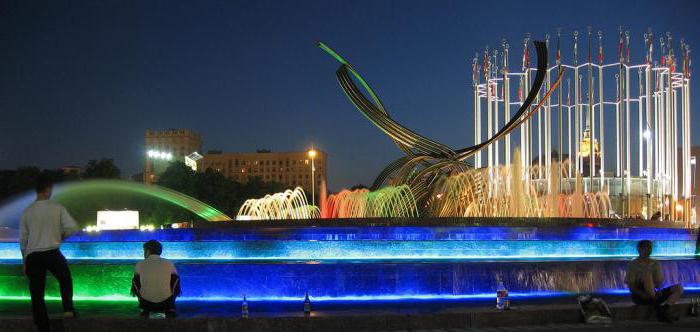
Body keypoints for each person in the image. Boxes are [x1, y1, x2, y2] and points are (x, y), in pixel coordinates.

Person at [19, 175, 79, 332]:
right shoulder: (57, 208)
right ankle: (68, 310)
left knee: (37, 293)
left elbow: (23, 240)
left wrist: (24, 261)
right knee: (65, 279)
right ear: (47, 190)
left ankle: (42, 326)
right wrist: (60, 237)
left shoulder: (27, 211)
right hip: (52, 253)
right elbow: (73, 227)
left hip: (33, 256)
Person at [625, 240, 684, 323]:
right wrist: (643, 294)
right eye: (646, 246)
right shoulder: (632, 264)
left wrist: (659, 290)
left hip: (654, 294)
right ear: (639, 249)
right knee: (647, 274)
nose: (649, 249)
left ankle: (663, 309)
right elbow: (631, 286)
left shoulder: (655, 263)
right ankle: (662, 313)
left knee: (679, 288)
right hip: (639, 296)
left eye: (650, 247)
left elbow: (658, 281)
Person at [131, 240, 181, 318]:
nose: (144, 253)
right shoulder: (169, 263)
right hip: (166, 303)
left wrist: (141, 296)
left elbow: (135, 284)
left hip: (146, 303)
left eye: (144, 251)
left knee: (135, 280)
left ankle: (144, 309)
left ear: (148, 251)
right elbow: (176, 281)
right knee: (175, 278)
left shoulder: (140, 264)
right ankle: (171, 309)